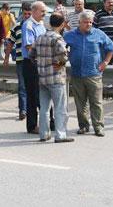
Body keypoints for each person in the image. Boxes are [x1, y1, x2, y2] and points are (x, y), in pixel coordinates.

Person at [64, 11, 113, 137]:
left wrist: (105, 62)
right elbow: (60, 45)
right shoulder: (70, 35)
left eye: (90, 22)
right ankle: (83, 126)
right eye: (86, 22)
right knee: (80, 103)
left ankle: (98, 127)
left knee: (96, 102)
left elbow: (111, 48)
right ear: (79, 23)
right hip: (77, 74)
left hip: (94, 73)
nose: (88, 24)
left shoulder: (98, 33)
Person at [29, 13, 74, 143]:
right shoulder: (57, 38)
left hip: (42, 78)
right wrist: (59, 64)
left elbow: (31, 55)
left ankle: (44, 134)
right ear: (62, 24)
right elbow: (64, 56)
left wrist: (40, 64)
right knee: (60, 107)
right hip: (56, 78)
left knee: (44, 108)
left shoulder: (40, 37)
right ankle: (60, 135)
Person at [21, 1, 47, 134]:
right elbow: (29, 46)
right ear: (35, 11)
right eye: (42, 11)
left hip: (41, 62)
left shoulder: (41, 24)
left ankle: (49, 122)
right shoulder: (28, 25)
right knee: (33, 95)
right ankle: (32, 126)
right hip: (31, 63)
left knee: (43, 93)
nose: (44, 13)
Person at [3, 2, 32, 120]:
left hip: (33, 61)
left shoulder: (36, 26)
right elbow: (10, 42)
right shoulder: (17, 27)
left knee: (33, 86)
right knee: (22, 86)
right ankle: (23, 110)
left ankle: (31, 110)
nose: (27, 16)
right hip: (20, 60)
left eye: (29, 14)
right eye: (25, 13)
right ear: (22, 13)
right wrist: (6, 58)